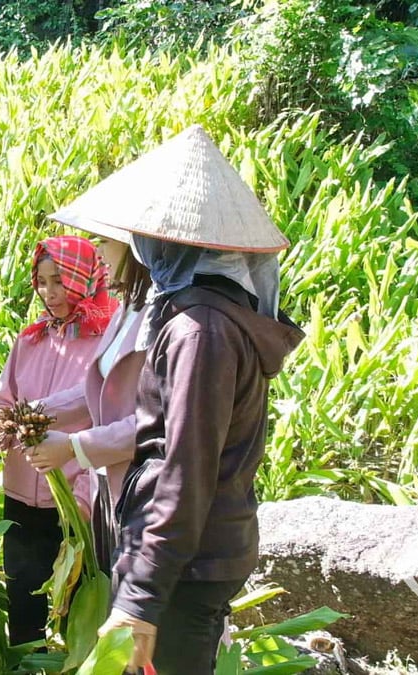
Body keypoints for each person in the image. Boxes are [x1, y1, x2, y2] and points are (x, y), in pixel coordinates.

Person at [89, 126, 306, 674]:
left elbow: (186, 470)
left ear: (169, 244)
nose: (117, 257)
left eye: (130, 240)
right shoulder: (206, 314)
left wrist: (140, 598)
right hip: (192, 555)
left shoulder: (199, 330)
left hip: (186, 565)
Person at [0, 235, 116, 647]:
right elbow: (6, 403)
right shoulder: (30, 339)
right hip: (20, 494)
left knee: (74, 607)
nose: (49, 293)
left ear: (86, 278)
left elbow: (100, 411)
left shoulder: (107, 341)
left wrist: (84, 497)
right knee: (23, 600)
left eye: (60, 281)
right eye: (43, 281)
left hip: (73, 499)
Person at [20, 227, 151, 574]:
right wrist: (34, 413)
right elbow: (96, 391)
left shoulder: (159, 318)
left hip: (143, 487)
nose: (102, 257)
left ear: (134, 249)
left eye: (106, 243)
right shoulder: (130, 309)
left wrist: (75, 448)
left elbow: (157, 421)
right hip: (110, 486)